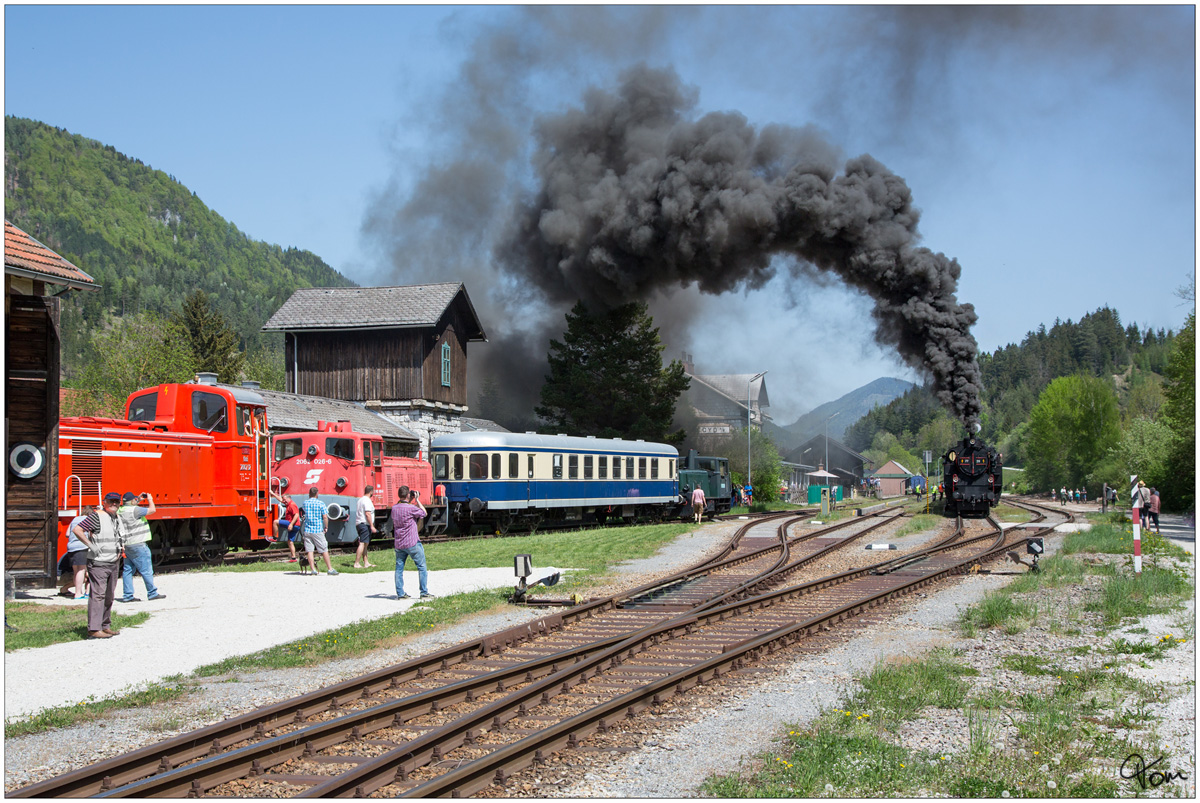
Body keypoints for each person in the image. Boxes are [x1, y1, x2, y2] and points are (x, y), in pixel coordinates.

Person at [76, 491, 126, 638]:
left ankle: (105, 625)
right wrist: (90, 545)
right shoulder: (97, 516)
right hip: (99, 562)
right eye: (111, 501)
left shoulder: (117, 517)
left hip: (113, 562)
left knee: (109, 595)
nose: (114, 504)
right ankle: (94, 629)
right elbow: (77, 530)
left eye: (116, 501)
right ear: (104, 502)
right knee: (98, 595)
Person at [117, 492, 164, 603]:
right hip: (139, 544)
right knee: (146, 570)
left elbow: (130, 505)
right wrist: (150, 499)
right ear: (132, 501)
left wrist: (138, 499)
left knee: (127, 570)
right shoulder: (136, 510)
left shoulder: (121, 510)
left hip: (127, 544)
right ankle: (152, 593)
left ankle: (128, 595)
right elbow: (152, 510)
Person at [391, 485, 433, 600]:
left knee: (399, 569)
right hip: (412, 542)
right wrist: (417, 500)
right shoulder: (411, 508)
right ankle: (424, 592)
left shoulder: (394, 508)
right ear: (408, 495)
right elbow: (424, 513)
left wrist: (410, 500)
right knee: (421, 567)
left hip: (399, 543)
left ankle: (400, 593)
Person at [58, 504, 94, 599]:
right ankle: (79, 593)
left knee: (76, 571)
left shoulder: (75, 519)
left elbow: (67, 534)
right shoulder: (88, 520)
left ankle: (79, 591)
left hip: (71, 548)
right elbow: (92, 534)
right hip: (81, 547)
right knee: (82, 571)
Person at [301, 487, 338, 576]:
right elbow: (325, 517)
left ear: (309, 494)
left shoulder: (305, 503)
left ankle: (313, 570)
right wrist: (326, 526)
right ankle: (329, 569)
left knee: (310, 550)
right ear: (317, 494)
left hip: (307, 530)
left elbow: (304, 513)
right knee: (324, 549)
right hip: (317, 530)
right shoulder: (321, 503)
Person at [272, 491, 303, 562]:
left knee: (275, 522)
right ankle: (293, 558)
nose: (283, 501)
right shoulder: (288, 503)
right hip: (296, 526)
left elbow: (296, 515)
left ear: (289, 498)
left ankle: (274, 537)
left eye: (284, 500)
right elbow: (280, 499)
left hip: (293, 524)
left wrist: (291, 524)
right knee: (290, 542)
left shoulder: (292, 505)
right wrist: (273, 494)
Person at [354, 485, 378, 569]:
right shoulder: (367, 501)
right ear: (371, 492)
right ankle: (356, 563)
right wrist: (372, 526)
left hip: (360, 523)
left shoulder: (360, 500)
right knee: (362, 543)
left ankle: (366, 562)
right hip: (364, 524)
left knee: (365, 544)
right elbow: (368, 514)